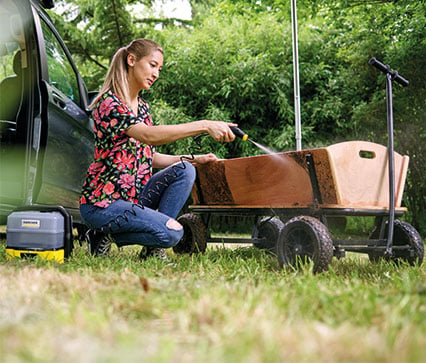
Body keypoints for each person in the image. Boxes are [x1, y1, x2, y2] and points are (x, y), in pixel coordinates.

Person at [79, 38, 237, 259]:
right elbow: (149, 136)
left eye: (159, 69)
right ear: (132, 60)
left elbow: (150, 157)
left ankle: (150, 248)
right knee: (174, 233)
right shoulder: (109, 103)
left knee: (186, 169)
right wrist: (204, 125)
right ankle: (101, 232)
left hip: (133, 199)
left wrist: (194, 158)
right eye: (153, 65)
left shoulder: (143, 108)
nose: (156, 74)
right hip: (104, 204)